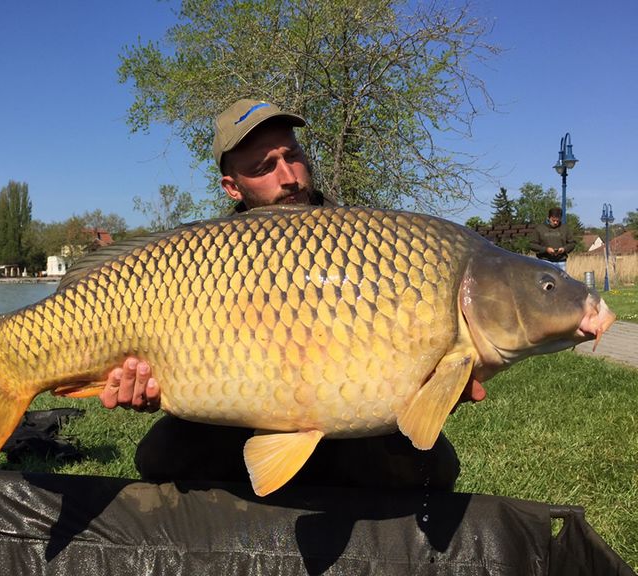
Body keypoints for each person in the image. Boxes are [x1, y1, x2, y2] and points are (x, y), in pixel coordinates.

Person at [92, 99, 486, 491]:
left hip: (351, 415)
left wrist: (438, 379)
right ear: (232, 187)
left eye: (292, 155)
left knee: (431, 470)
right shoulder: (202, 257)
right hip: (239, 413)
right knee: (160, 458)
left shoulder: (363, 241)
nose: (289, 176)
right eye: (264, 167)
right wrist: (141, 383)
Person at [529, 207, 576, 272]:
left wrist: (564, 249)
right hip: (544, 261)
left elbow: (572, 243)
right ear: (548, 218)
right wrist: (546, 249)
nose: (555, 222)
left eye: (557, 220)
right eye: (553, 220)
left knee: (561, 281)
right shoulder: (539, 228)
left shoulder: (565, 228)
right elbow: (532, 245)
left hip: (561, 262)